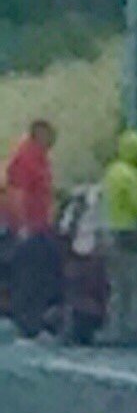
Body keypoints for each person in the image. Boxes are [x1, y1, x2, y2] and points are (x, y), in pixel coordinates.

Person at [3, 120, 60, 336]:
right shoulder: (26, 158)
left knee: (40, 275)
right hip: (29, 228)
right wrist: (22, 225)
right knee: (28, 277)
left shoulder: (40, 158)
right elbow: (17, 193)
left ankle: (34, 322)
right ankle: (26, 325)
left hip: (40, 227)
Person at [101, 130, 137, 344]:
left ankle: (114, 327)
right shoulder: (131, 176)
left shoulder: (112, 171)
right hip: (133, 234)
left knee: (117, 285)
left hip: (113, 231)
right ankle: (134, 328)